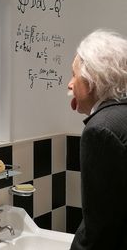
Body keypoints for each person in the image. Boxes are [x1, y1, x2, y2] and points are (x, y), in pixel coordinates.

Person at [68, 29, 127, 250]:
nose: (70, 84)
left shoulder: (100, 130)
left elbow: (100, 229)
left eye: (74, 74)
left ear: (92, 78)